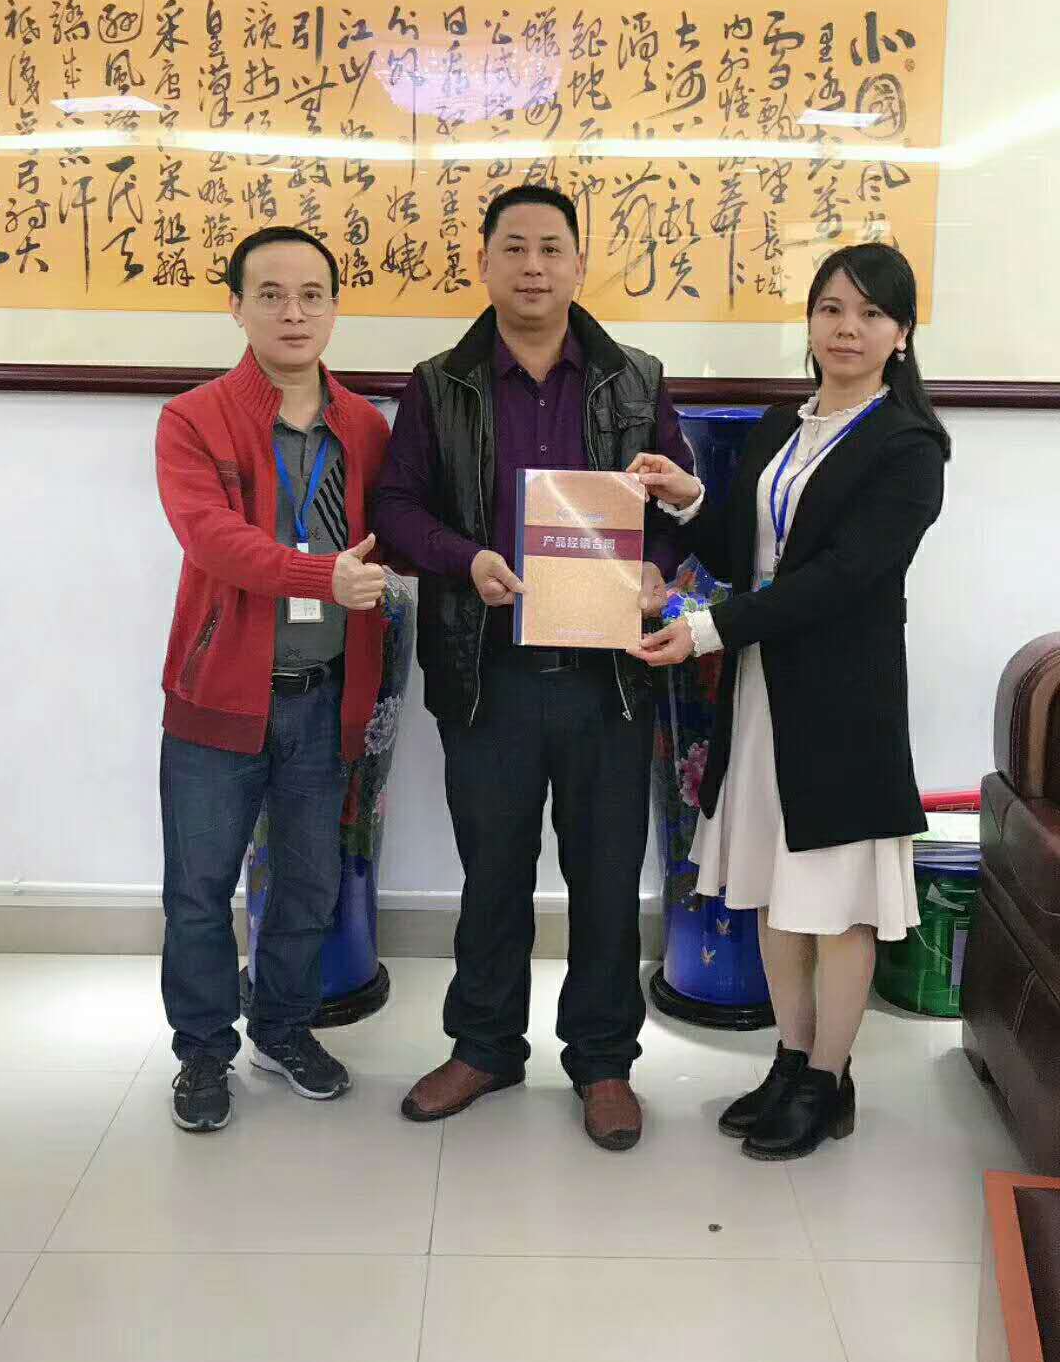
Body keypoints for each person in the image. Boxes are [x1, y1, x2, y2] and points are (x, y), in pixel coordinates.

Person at [372, 185, 695, 1151]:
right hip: (489, 675)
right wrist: (465, 558)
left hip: (609, 680)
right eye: (513, 247)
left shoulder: (636, 380)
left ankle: (602, 1061)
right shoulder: (440, 385)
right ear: (484, 262)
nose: (533, 266)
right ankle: (484, 1046)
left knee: (606, 878)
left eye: (552, 248)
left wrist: (656, 568)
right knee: (493, 874)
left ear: (579, 264)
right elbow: (395, 511)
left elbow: (680, 510)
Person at [630, 242, 948, 1160]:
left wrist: (710, 630)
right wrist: (690, 499)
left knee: (837, 907)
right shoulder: (782, 428)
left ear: (901, 334)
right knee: (774, 891)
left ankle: (828, 1082)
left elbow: (844, 577)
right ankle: (792, 1059)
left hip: (844, 708)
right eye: (831, 309)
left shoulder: (909, 445)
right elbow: (746, 555)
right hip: (763, 696)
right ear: (809, 322)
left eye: (871, 314)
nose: (848, 329)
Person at [156, 224, 390, 1133]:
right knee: (198, 892)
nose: (294, 313)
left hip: (325, 698)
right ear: (236, 306)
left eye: (312, 295)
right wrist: (318, 575)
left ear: (334, 307)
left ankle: (284, 1030)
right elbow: (211, 538)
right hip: (218, 699)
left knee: (308, 887)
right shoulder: (194, 418)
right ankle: (202, 1052)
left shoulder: (364, 427)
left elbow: (402, 528)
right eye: (271, 294)